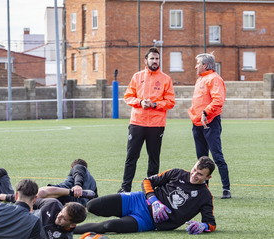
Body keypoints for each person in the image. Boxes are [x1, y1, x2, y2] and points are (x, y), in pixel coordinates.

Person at [74, 156, 216, 235]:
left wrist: (203, 226)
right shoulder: (177, 173)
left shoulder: (205, 196)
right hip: (137, 200)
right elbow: (147, 181)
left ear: (208, 177)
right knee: (92, 205)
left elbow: (211, 223)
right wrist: (153, 201)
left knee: (108, 226)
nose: (194, 175)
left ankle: (68, 229)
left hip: (146, 220)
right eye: (194, 169)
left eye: (200, 174)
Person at [118, 47, 175, 193]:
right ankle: (125, 188)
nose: (155, 61)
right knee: (131, 157)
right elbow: (127, 97)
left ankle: (150, 189)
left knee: (154, 159)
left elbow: (170, 102)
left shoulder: (166, 79)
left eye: (157, 59)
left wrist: (155, 104)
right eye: (152, 58)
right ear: (146, 60)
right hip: (137, 123)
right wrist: (140, 102)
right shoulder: (137, 77)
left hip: (156, 125)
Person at [0, 193, 87, 239]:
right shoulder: (53, 205)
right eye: (60, 213)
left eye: (63, 219)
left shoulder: (63, 237)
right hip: (6, 213)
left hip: (5, 231)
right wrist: (7, 197)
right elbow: (30, 199)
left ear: (72, 225)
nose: (58, 217)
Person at [188, 52, 231, 199]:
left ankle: (226, 189)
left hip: (210, 123)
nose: (195, 66)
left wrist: (206, 112)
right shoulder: (200, 80)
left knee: (217, 156)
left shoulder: (214, 79)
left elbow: (218, 100)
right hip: (197, 124)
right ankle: (203, 189)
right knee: (201, 158)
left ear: (205, 65)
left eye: (198, 63)